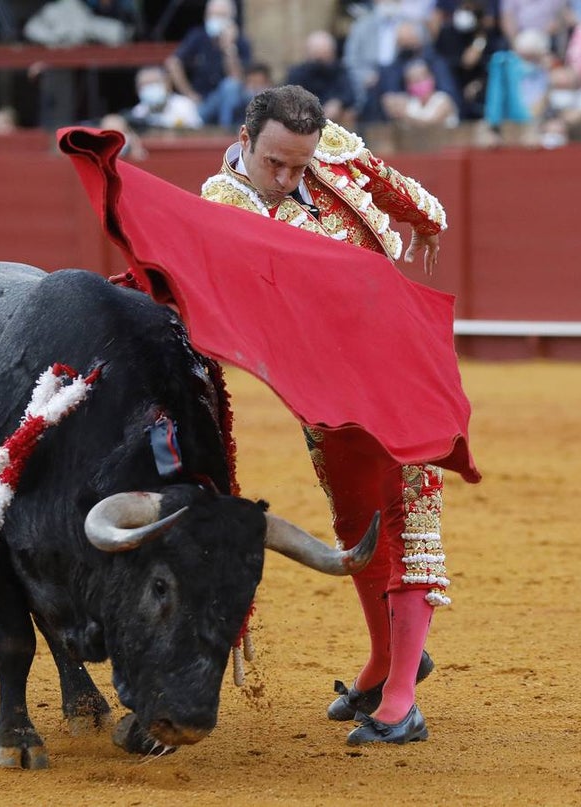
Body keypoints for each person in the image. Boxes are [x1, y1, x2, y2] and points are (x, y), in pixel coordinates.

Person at [200, 84, 449, 747]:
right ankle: (385, 659)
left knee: (409, 512)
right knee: (355, 521)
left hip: (400, 363)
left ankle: (401, 700)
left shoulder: (327, 153)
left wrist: (424, 221)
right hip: (326, 390)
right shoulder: (221, 207)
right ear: (246, 141)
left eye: (299, 165)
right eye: (276, 163)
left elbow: (405, 194)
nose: (287, 178)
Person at [164, 0, 253, 128]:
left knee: (231, 86)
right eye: (212, 15)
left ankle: (225, 131)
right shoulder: (197, 36)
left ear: (231, 20)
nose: (215, 19)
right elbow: (173, 63)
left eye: (221, 16)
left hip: (233, 104)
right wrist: (189, 94)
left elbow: (238, 79)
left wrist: (229, 48)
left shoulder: (241, 42)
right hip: (202, 103)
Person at [285, 30, 359, 131]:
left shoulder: (340, 71)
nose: (321, 59)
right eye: (317, 55)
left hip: (336, 122)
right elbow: (290, 99)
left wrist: (338, 103)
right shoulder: (297, 74)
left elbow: (350, 94)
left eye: (325, 54)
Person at [127, 64, 203, 131]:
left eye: (154, 83)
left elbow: (197, 132)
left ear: (167, 84)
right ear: (137, 90)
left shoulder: (185, 105)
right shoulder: (138, 113)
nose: (150, 88)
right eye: (144, 85)